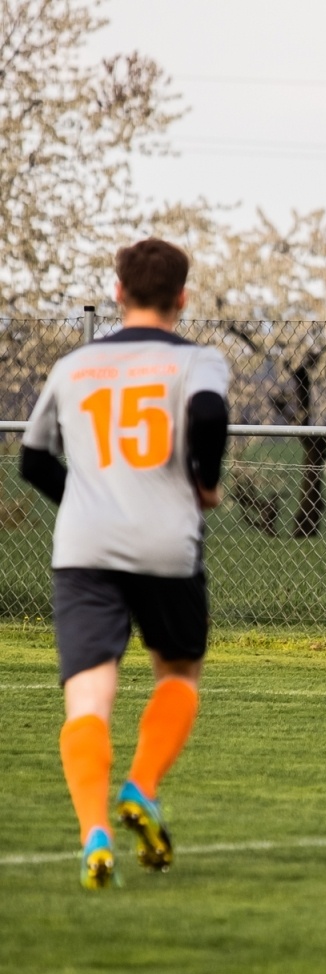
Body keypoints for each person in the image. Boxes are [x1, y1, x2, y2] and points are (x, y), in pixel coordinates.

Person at [19, 238, 231, 890]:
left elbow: (31, 459)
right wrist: (205, 480)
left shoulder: (74, 364)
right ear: (183, 297)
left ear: (117, 292)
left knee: (88, 693)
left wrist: (86, 501)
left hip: (84, 547)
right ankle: (140, 786)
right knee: (178, 669)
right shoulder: (198, 359)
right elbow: (207, 411)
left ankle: (94, 834)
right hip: (164, 541)